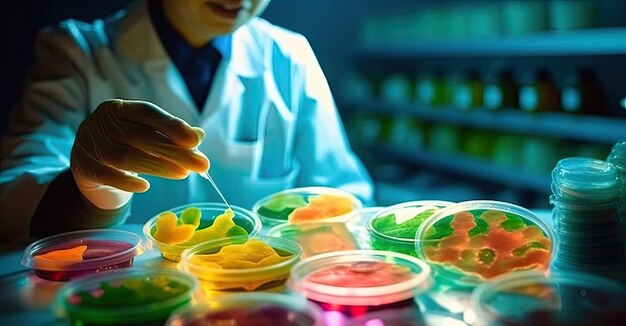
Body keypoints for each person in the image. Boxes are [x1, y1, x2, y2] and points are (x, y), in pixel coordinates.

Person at [0, 0, 374, 242]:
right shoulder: (78, 52)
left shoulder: (291, 58)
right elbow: (12, 207)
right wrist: (88, 189)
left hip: (261, 307)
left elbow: (344, 197)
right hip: (122, 308)